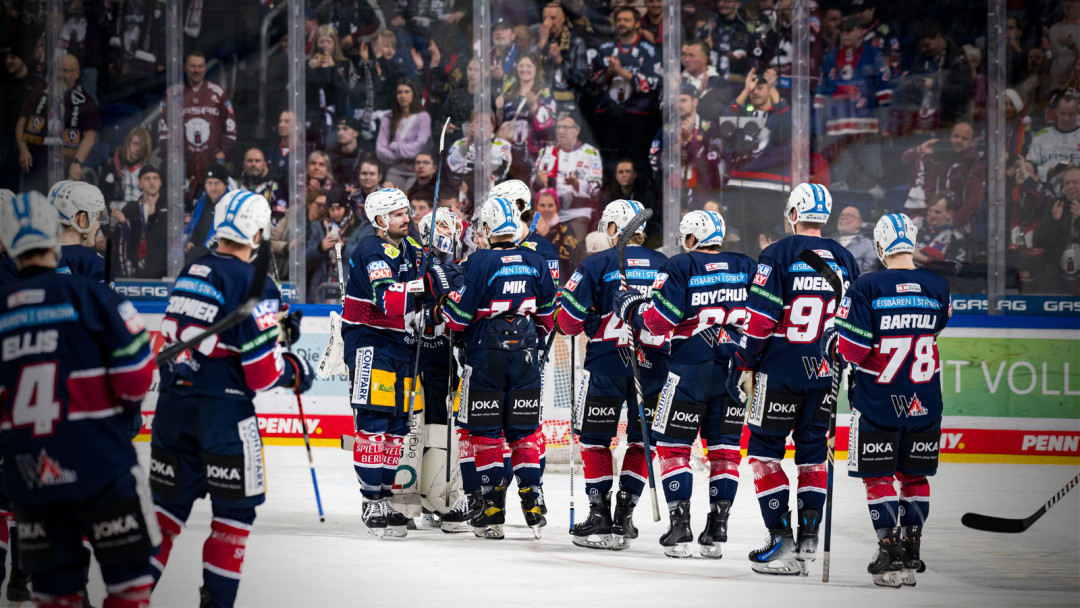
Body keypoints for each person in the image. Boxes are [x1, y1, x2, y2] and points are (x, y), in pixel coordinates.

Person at [149, 190, 313, 607]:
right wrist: (295, 371)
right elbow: (261, 375)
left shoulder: (192, 268)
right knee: (233, 518)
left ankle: (124, 599)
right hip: (223, 418)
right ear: (258, 232)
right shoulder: (255, 283)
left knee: (164, 516)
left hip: (171, 409)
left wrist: (265, 332)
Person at [0, 190, 158, 608]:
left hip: (31, 474)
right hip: (100, 468)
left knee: (56, 594)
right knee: (131, 586)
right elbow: (136, 377)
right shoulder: (94, 294)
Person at [732, 183, 861, 576]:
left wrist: (745, 361)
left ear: (793, 212)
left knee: (764, 452)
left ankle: (781, 541)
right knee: (812, 453)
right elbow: (853, 323)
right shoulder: (845, 258)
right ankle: (808, 540)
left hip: (780, 370)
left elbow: (761, 319)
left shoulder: (777, 254)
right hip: (824, 375)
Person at [614, 209, 756, 558]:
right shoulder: (745, 265)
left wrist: (630, 307)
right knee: (724, 452)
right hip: (733, 369)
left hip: (689, 371)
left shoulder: (680, 266)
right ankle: (717, 528)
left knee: (674, 448)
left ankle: (680, 528)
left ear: (691, 238)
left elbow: (658, 323)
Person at [835, 213, 951, 587]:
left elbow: (852, 351)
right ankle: (911, 551)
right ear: (912, 243)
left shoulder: (867, 287)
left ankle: (889, 552)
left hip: (878, 400)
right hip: (925, 401)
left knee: (879, 477)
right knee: (914, 477)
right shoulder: (938, 286)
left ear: (881, 246)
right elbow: (936, 327)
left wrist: (838, 328)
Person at [340, 188, 456, 538]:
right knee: (374, 422)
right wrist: (426, 284)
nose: (407, 219)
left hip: (402, 346)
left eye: (406, 212)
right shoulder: (371, 250)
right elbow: (388, 299)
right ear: (379, 221)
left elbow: (441, 281)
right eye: (398, 215)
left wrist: (446, 274)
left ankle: (387, 497)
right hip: (369, 344)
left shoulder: (410, 249)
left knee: (396, 427)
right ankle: (370, 499)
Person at [440, 196, 557, 539]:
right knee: (523, 432)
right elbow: (550, 316)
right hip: (526, 358)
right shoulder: (536, 261)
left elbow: (458, 319)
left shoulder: (481, 260)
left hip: (486, 357)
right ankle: (532, 500)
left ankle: (492, 508)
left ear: (489, 229)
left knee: (487, 433)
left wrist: (445, 304)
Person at [556, 199, 668, 550]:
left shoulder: (597, 263)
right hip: (654, 365)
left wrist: (589, 319)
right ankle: (626, 514)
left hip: (605, 364)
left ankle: (599, 513)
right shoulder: (666, 264)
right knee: (641, 441)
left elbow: (566, 323)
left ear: (612, 229)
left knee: (593, 439)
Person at [814, 15, 892, 192]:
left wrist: (885, 123)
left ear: (861, 32)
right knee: (841, 177)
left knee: (874, 172)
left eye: (849, 31)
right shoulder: (831, 58)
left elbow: (884, 91)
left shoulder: (873, 54)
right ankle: (844, 212)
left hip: (865, 126)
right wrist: (819, 128)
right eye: (841, 31)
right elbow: (820, 95)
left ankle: (877, 210)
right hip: (837, 128)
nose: (844, 34)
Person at [589, 6, 661, 168]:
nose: (621, 23)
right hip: (609, 116)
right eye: (619, 20)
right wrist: (609, 72)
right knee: (610, 163)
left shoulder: (649, 50)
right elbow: (593, 82)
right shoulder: (605, 48)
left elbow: (654, 83)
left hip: (639, 115)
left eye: (626, 20)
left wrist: (622, 72)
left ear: (637, 24)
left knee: (639, 163)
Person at [17, 53, 100, 192]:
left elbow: (90, 136)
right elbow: (21, 122)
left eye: (66, 71)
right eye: (58, 70)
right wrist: (23, 150)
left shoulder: (86, 101)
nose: (60, 74)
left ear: (77, 73)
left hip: (64, 173)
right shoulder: (39, 90)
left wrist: (77, 163)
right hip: (34, 167)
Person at [159, 50, 238, 196]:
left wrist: (222, 152)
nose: (197, 70)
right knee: (177, 201)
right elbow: (163, 125)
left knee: (215, 202)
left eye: (200, 66)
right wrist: (169, 151)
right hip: (181, 159)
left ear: (205, 68)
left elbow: (230, 125)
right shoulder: (173, 93)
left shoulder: (218, 93)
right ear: (185, 67)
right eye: (193, 66)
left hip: (212, 157)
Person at [533, 113, 604, 237]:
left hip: (576, 213)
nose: (561, 131)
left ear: (577, 130)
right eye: (558, 127)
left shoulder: (590, 153)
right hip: (546, 211)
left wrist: (576, 183)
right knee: (532, 240)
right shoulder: (546, 151)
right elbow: (533, 183)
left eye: (566, 127)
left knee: (573, 249)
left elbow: (595, 189)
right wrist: (537, 181)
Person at [496, 53, 556, 182]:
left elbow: (551, 129)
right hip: (511, 153)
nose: (524, 69)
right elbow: (500, 124)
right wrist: (499, 110)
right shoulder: (509, 93)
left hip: (534, 155)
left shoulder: (544, 93)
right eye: (521, 66)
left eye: (529, 66)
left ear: (536, 69)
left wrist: (534, 106)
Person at [306, 189, 372, 302]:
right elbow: (305, 257)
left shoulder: (362, 227)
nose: (335, 213)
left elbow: (366, 256)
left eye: (339, 208)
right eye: (332, 209)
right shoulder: (317, 227)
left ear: (346, 207)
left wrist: (344, 248)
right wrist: (321, 248)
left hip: (351, 286)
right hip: (321, 287)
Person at [113, 165, 169, 279]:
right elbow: (120, 241)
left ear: (160, 182)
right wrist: (123, 223)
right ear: (139, 184)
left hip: (161, 269)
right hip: (134, 267)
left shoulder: (169, 207)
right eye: (147, 178)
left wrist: (153, 215)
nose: (152, 182)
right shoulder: (130, 208)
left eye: (155, 178)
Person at [535, 2, 590, 114]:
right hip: (542, 104)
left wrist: (560, 60)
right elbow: (525, 65)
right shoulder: (539, 41)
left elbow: (581, 79)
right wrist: (542, 41)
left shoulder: (576, 42)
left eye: (553, 18)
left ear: (563, 18)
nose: (548, 23)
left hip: (567, 106)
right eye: (545, 18)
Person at [377, 78, 433, 186]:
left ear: (413, 94)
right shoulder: (387, 118)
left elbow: (420, 146)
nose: (403, 96)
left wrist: (395, 147)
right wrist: (404, 154)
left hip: (416, 171)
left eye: (407, 91)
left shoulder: (423, 117)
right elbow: (380, 150)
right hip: (394, 169)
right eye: (399, 92)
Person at [306, 24, 352, 150]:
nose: (324, 45)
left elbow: (345, 89)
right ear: (316, 44)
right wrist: (309, 69)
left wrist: (333, 68)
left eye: (328, 41)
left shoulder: (344, 64)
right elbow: (302, 90)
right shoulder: (309, 64)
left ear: (334, 44)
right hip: (314, 116)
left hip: (336, 117)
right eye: (321, 41)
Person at [50, 181, 107, 281]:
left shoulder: (30, 257)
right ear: (82, 219)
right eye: (97, 218)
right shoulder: (95, 264)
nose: (98, 225)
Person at [694, 0, 753, 83]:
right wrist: (705, 48)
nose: (721, 4)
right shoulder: (709, 28)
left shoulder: (748, 29)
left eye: (727, 1)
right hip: (711, 81)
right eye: (719, 1)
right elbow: (694, 52)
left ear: (738, 3)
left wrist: (741, 61)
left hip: (739, 81)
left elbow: (758, 57)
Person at [1027, 93, 1080, 184]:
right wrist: (1048, 171)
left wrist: (1075, 169)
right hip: (1044, 192)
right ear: (1056, 112)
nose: (1066, 118)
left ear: (1077, 113)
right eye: (1063, 113)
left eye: (1070, 114)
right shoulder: (1041, 135)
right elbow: (1029, 168)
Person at [183, 164, 230, 264]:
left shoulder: (230, 205)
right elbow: (194, 225)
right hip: (197, 253)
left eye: (217, 183)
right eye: (209, 183)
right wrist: (190, 241)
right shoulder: (204, 201)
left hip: (216, 259)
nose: (212, 188)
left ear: (225, 185)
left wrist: (199, 252)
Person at [100, 125, 154, 209]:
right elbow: (102, 197)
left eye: (142, 146)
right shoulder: (112, 167)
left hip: (142, 218)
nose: (138, 149)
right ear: (127, 143)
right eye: (135, 144)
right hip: (115, 216)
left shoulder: (151, 171)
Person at [533, 188, 580, 282]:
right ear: (536, 207)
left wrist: (546, 236)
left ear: (557, 207)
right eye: (542, 205)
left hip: (559, 281)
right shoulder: (528, 228)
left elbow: (567, 261)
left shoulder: (566, 229)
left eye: (550, 205)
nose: (546, 209)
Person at [913, 195, 967, 269]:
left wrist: (924, 259)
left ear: (949, 215)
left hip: (931, 278)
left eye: (937, 212)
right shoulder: (913, 224)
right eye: (930, 211)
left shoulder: (956, 238)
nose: (932, 215)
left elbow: (955, 269)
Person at [240, 146, 286, 231]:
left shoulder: (274, 189)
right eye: (250, 161)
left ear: (264, 165)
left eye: (257, 161)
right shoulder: (236, 187)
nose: (253, 164)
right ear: (244, 164)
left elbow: (279, 219)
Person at [832, 205, 877, 274]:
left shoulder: (868, 245)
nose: (843, 217)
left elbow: (870, 275)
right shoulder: (828, 242)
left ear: (859, 223)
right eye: (842, 215)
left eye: (849, 215)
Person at [330, 116, 366, 193]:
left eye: (345, 129)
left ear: (356, 133)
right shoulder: (333, 154)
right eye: (338, 129)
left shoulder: (365, 154)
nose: (340, 133)